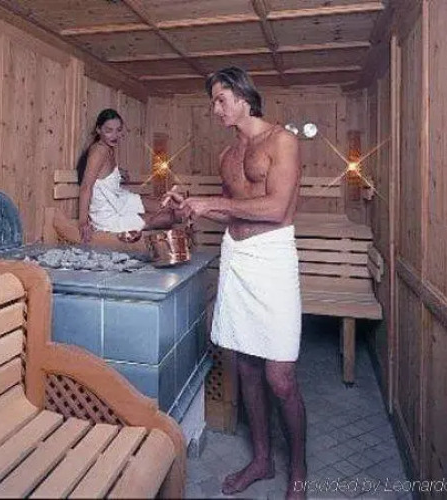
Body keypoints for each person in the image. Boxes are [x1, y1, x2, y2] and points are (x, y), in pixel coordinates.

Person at [163, 67, 306, 499]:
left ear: (244, 97)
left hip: (272, 257)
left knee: (280, 376)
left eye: (220, 99)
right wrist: (193, 207)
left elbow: (277, 208)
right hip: (237, 257)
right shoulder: (227, 156)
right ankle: (262, 460)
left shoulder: (282, 141)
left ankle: (299, 468)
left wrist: (211, 201)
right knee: (245, 366)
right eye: (213, 101)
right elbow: (234, 210)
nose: (215, 109)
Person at [76, 109, 177, 244]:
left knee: (166, 207)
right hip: (108, 214)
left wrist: (119, 173)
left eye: (118, 130)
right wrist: (83, 222)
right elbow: (86, 186)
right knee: (168, 218)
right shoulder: (99, 151)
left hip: (120, 200)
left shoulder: (107, 148)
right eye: (109, 130)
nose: (114, 135)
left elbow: (102, 173)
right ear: (98, 130)